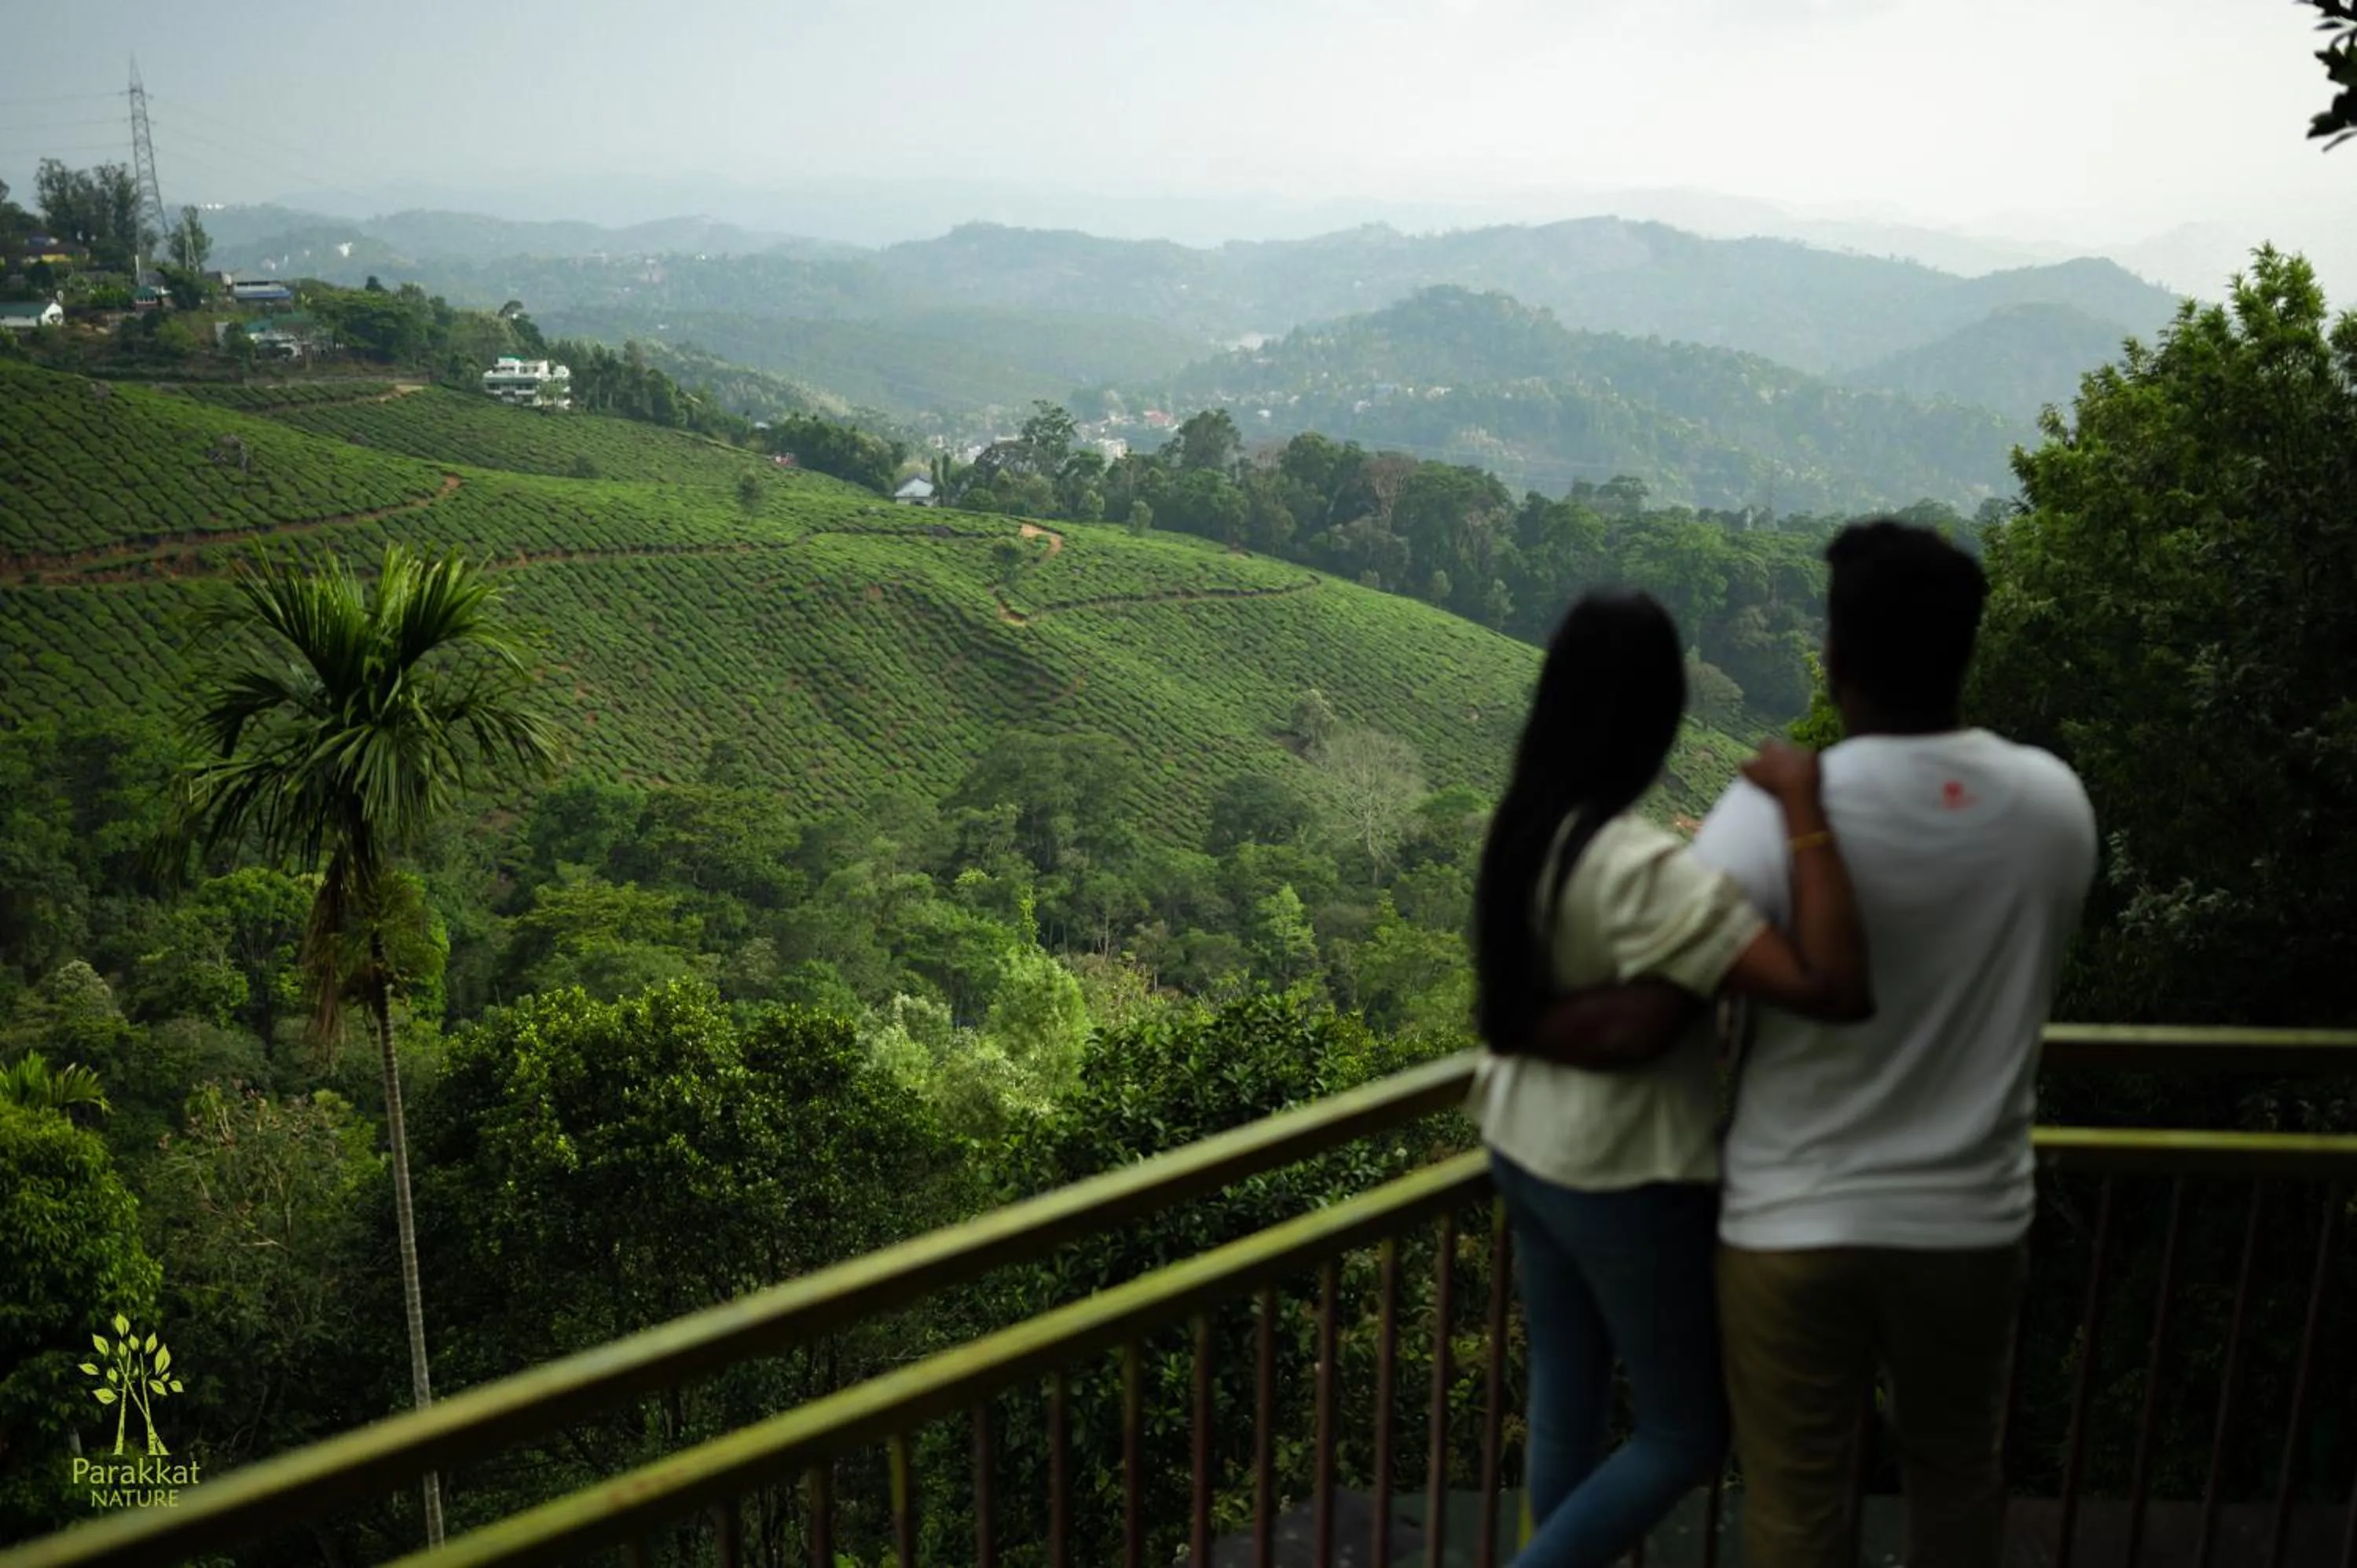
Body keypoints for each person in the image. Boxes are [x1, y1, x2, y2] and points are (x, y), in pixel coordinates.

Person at [1530, 520, 2098, 1568]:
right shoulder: (2054, 806)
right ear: (1967, 649)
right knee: (1958, 1472)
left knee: (1797, 1504)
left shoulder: (1770, 813)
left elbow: (1675, 993)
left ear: (1834, 659)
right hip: (1970, 1219)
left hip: (1793, 1218)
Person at [1469, 588, 1877, 1568]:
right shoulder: (1646, 867)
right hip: (1623, 1172)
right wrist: (1805, 811)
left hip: (1524, 1148)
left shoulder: (1530, 832)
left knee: (1566, 1394)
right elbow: (1829, 984)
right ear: (1657, 716)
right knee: (1685, 1431)